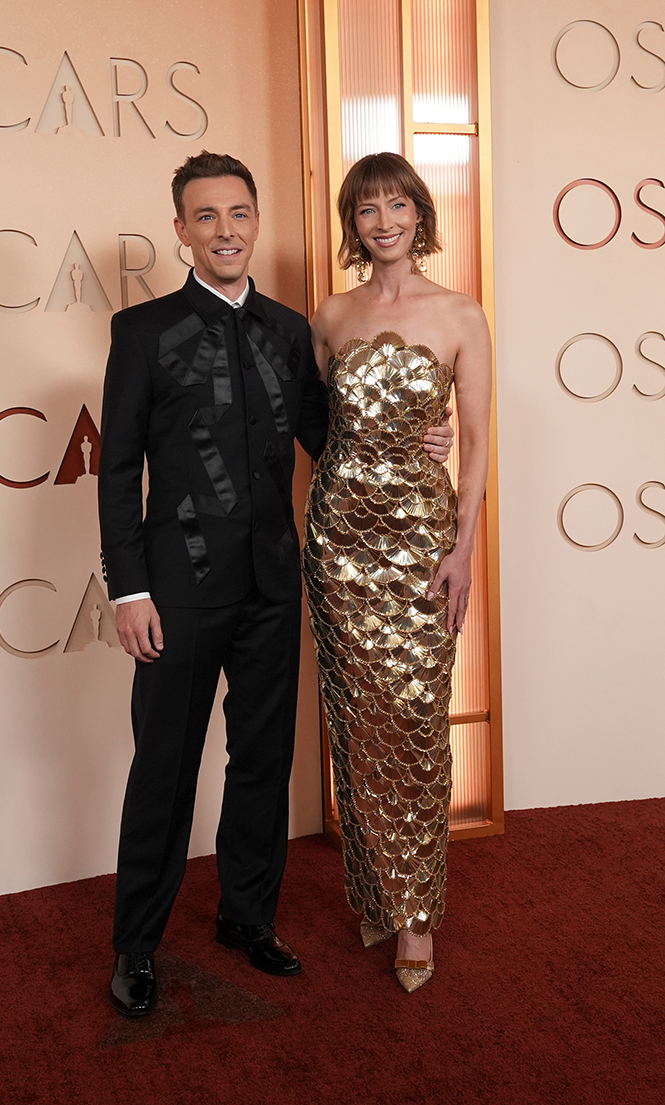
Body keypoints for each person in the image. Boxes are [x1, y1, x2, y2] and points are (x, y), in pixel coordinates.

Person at [98, 150, 454, 1018]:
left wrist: (412, 436)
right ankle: (136, 943)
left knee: (262, 761)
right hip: (176, 591)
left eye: (238, 214)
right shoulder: (141, 331)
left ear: (256, 223)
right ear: (181, 230)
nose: (225, 231)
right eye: (206, 216)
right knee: (164, 767)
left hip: (272, 582)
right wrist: (128, 589)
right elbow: (117, 469)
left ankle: (247, 916)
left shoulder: (292, 330)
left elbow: (330, 436)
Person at [303, 152, 491, 993]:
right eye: (367, 208)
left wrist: (463, 548)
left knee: (415, 719)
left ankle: (417, 915)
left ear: (420, 214)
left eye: (397, 205)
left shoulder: (460, 313)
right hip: (339, 545)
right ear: (353, 222)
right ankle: (382, 889)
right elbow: (316, 427)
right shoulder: (330, 315)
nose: (383, 221)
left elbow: (476, 445)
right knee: (358, 720)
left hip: (421, 543)